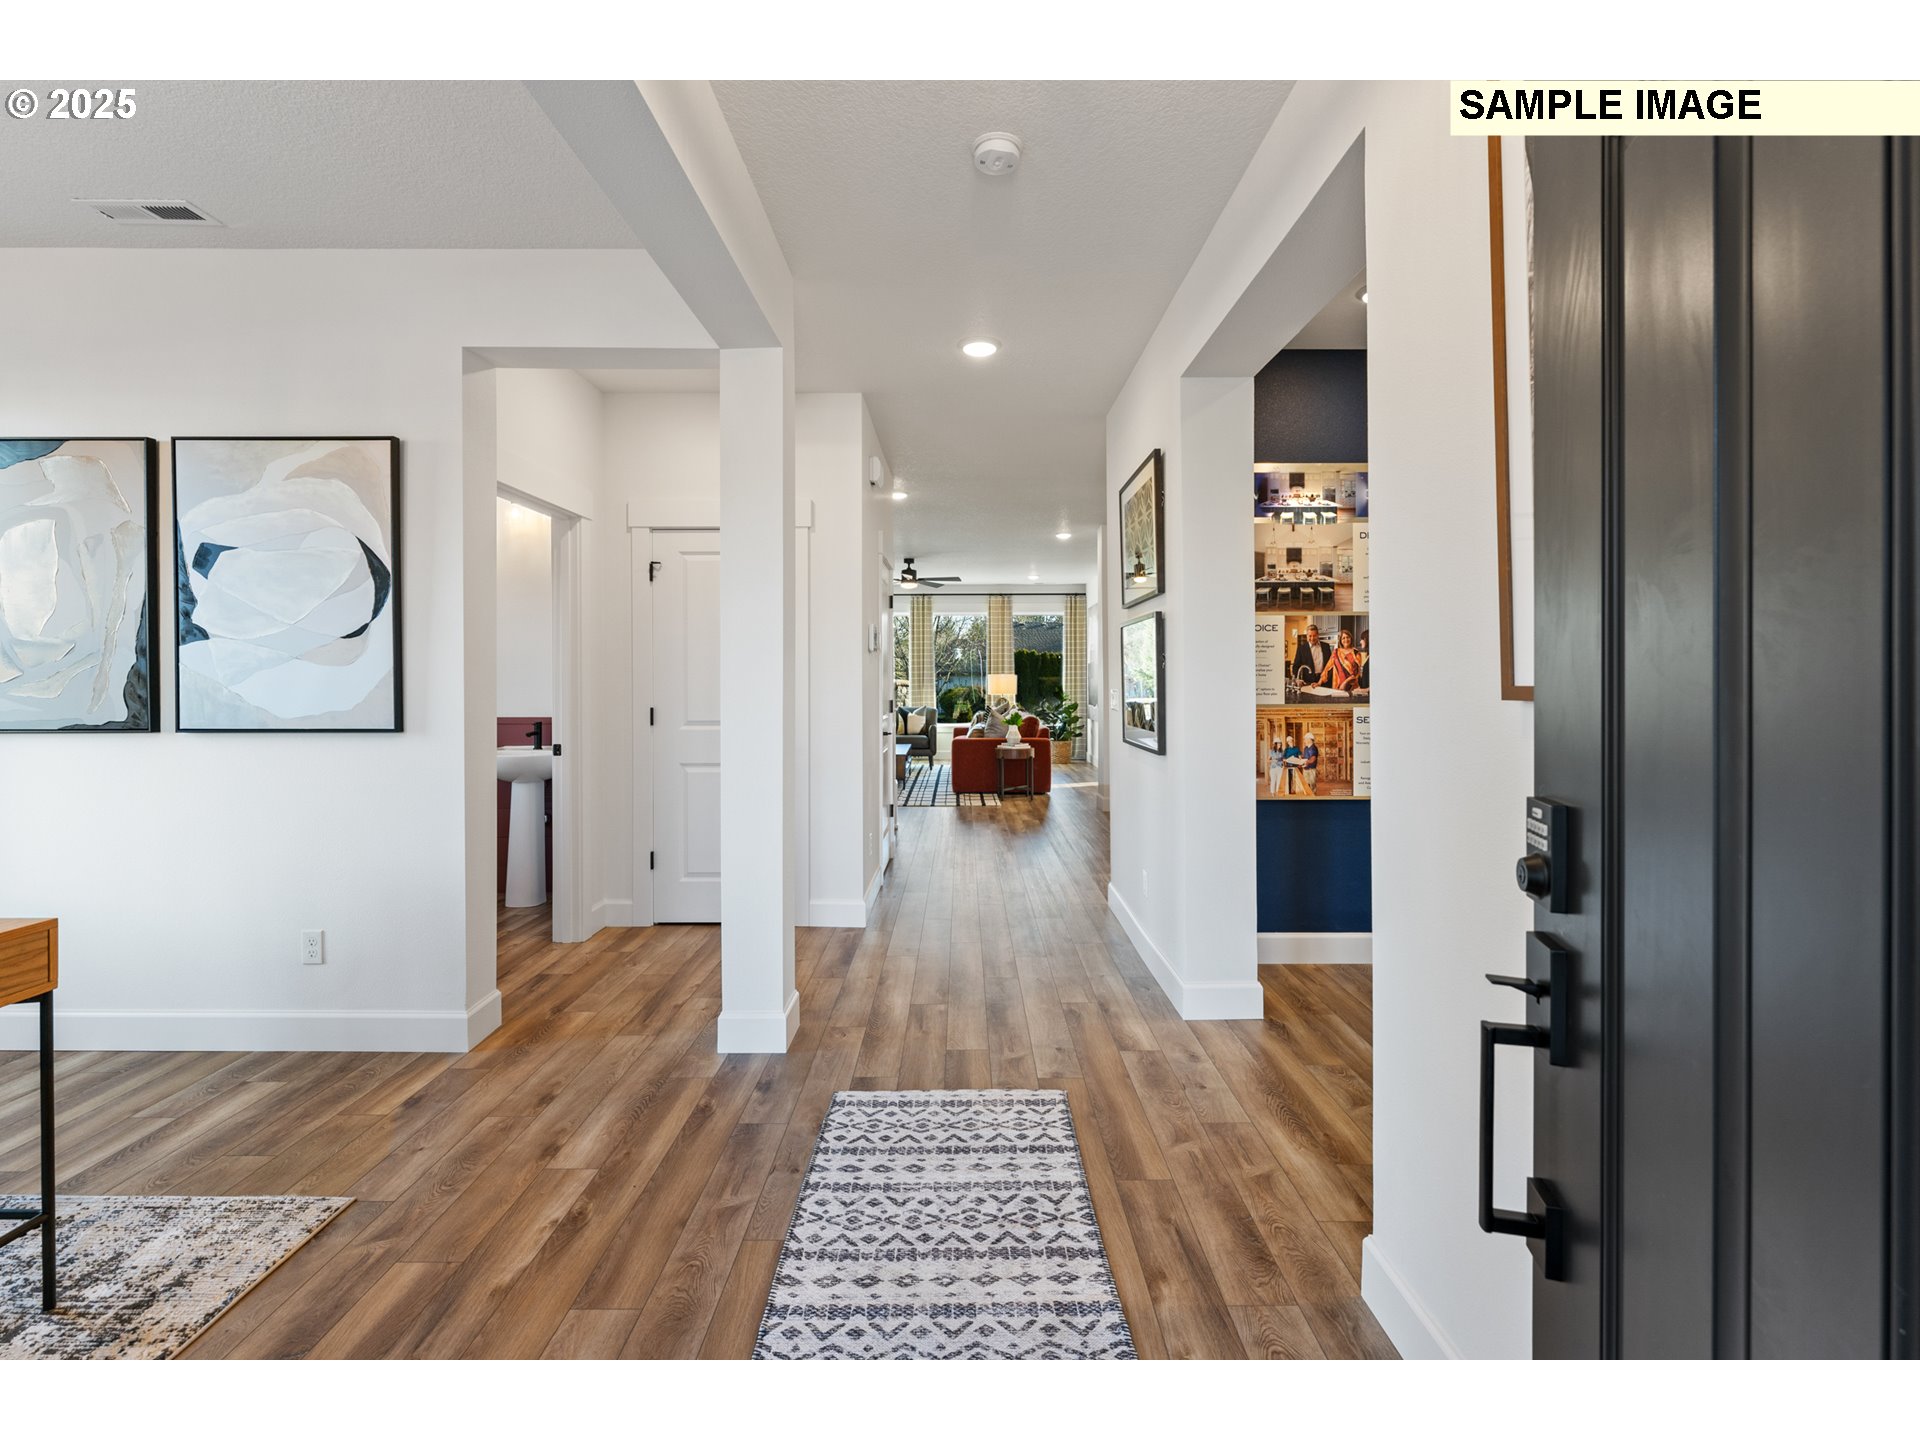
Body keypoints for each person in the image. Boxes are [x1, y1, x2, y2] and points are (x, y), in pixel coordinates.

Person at [1316, 628, 1365, 693]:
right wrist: (1319, 683)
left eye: (1348, 637)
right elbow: (1327, 669)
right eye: (1343, 638)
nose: (1346, 640)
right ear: (1340, 640)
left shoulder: (1356, 653)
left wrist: (1345, 683)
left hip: (1352, 687)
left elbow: (1356, 673)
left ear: (1351, 638)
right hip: (1337, 687)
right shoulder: (1336, 652)